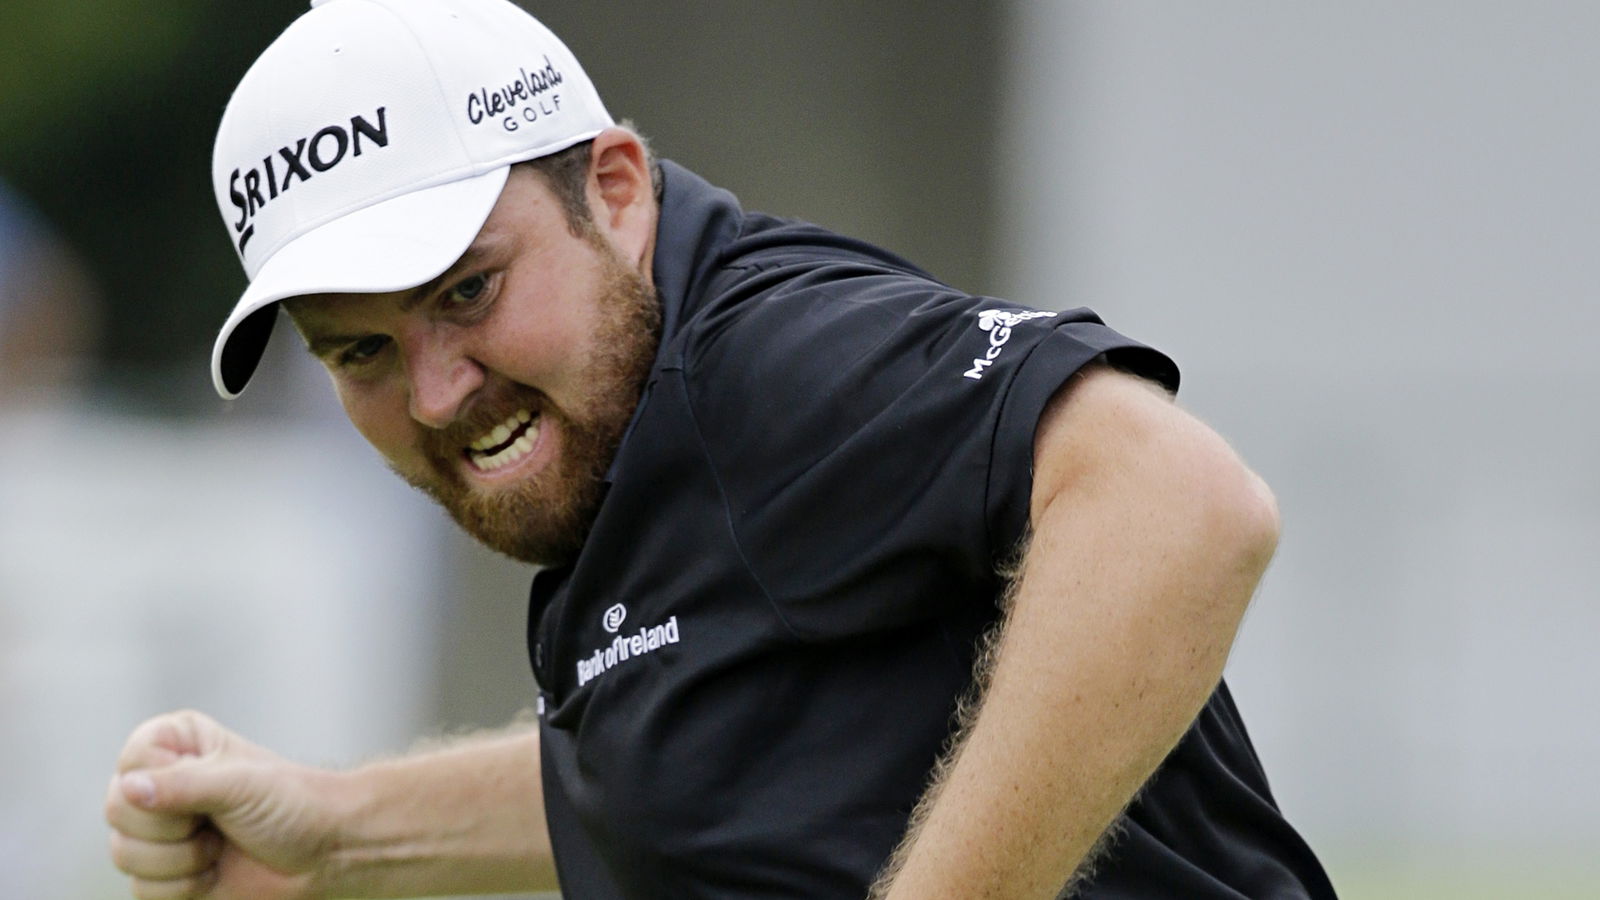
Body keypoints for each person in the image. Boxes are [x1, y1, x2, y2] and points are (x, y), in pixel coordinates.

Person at [105, 0, 1337, 897]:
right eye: (358, 353)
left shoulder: (767, 356)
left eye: (469, 292)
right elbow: (681, 743)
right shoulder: (643, 433)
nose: (433, 394)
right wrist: (334, 829)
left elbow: (1178, 501)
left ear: (619, 189)